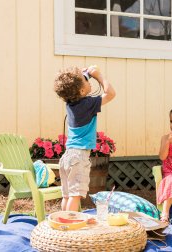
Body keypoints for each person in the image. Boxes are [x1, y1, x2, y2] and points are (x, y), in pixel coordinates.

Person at [54, 65, 116, 211]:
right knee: (75, 196)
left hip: (67, 157)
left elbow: (73, 87)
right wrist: (98, 75)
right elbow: (111, 93)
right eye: (87, 81)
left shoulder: (70, 103)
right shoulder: (88, 104)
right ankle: (70, 225)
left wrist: (84, 76)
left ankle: (64, 222)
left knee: (67, 196)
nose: (90, 82)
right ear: (81, 91)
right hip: (79, 157)